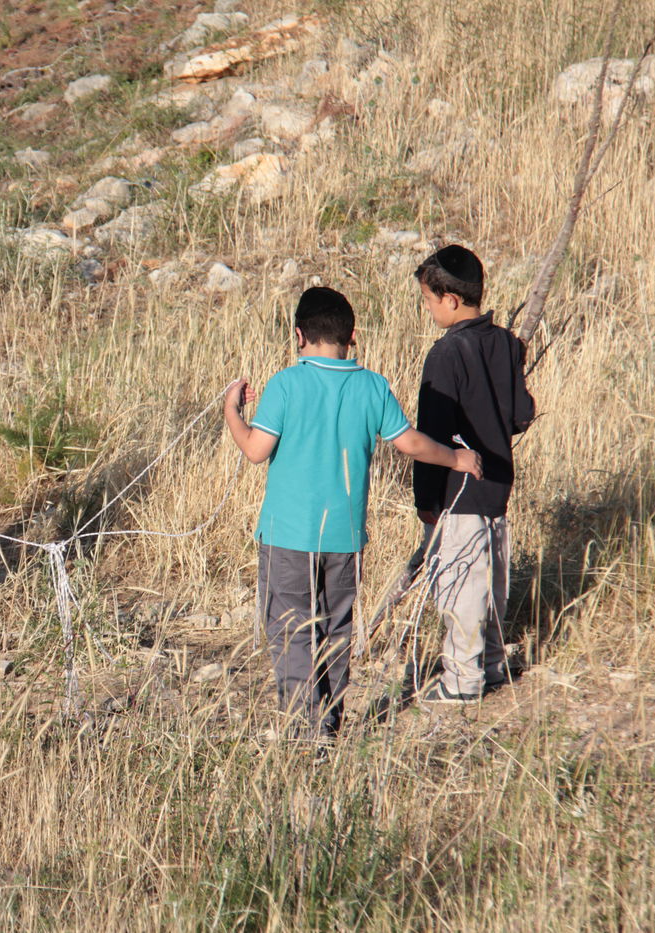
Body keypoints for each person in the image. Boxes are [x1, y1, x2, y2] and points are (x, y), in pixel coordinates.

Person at [223, 286, 482, 739]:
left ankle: (307, 734)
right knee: (336, 631)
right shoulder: (372, 385)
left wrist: (231, 410)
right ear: (353, 336)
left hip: (287, 537)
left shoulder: (285, 383)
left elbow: (254, 450)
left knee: (291, 633)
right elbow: (411, 444)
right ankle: (331, 725)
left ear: (297, 335)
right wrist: (458, 458)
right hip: (344, 538)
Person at [412, 245, 535, 704]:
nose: (426, 308)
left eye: (427, 299)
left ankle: (461, 684)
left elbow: (431, 437)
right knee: (493, 585)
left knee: (461, 590)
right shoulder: (507, 344)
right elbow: (523, 413)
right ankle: (491, 665)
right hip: (498, 487)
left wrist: (425, 501)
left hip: (458, 492)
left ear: (449, 300)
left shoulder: (445, 355)